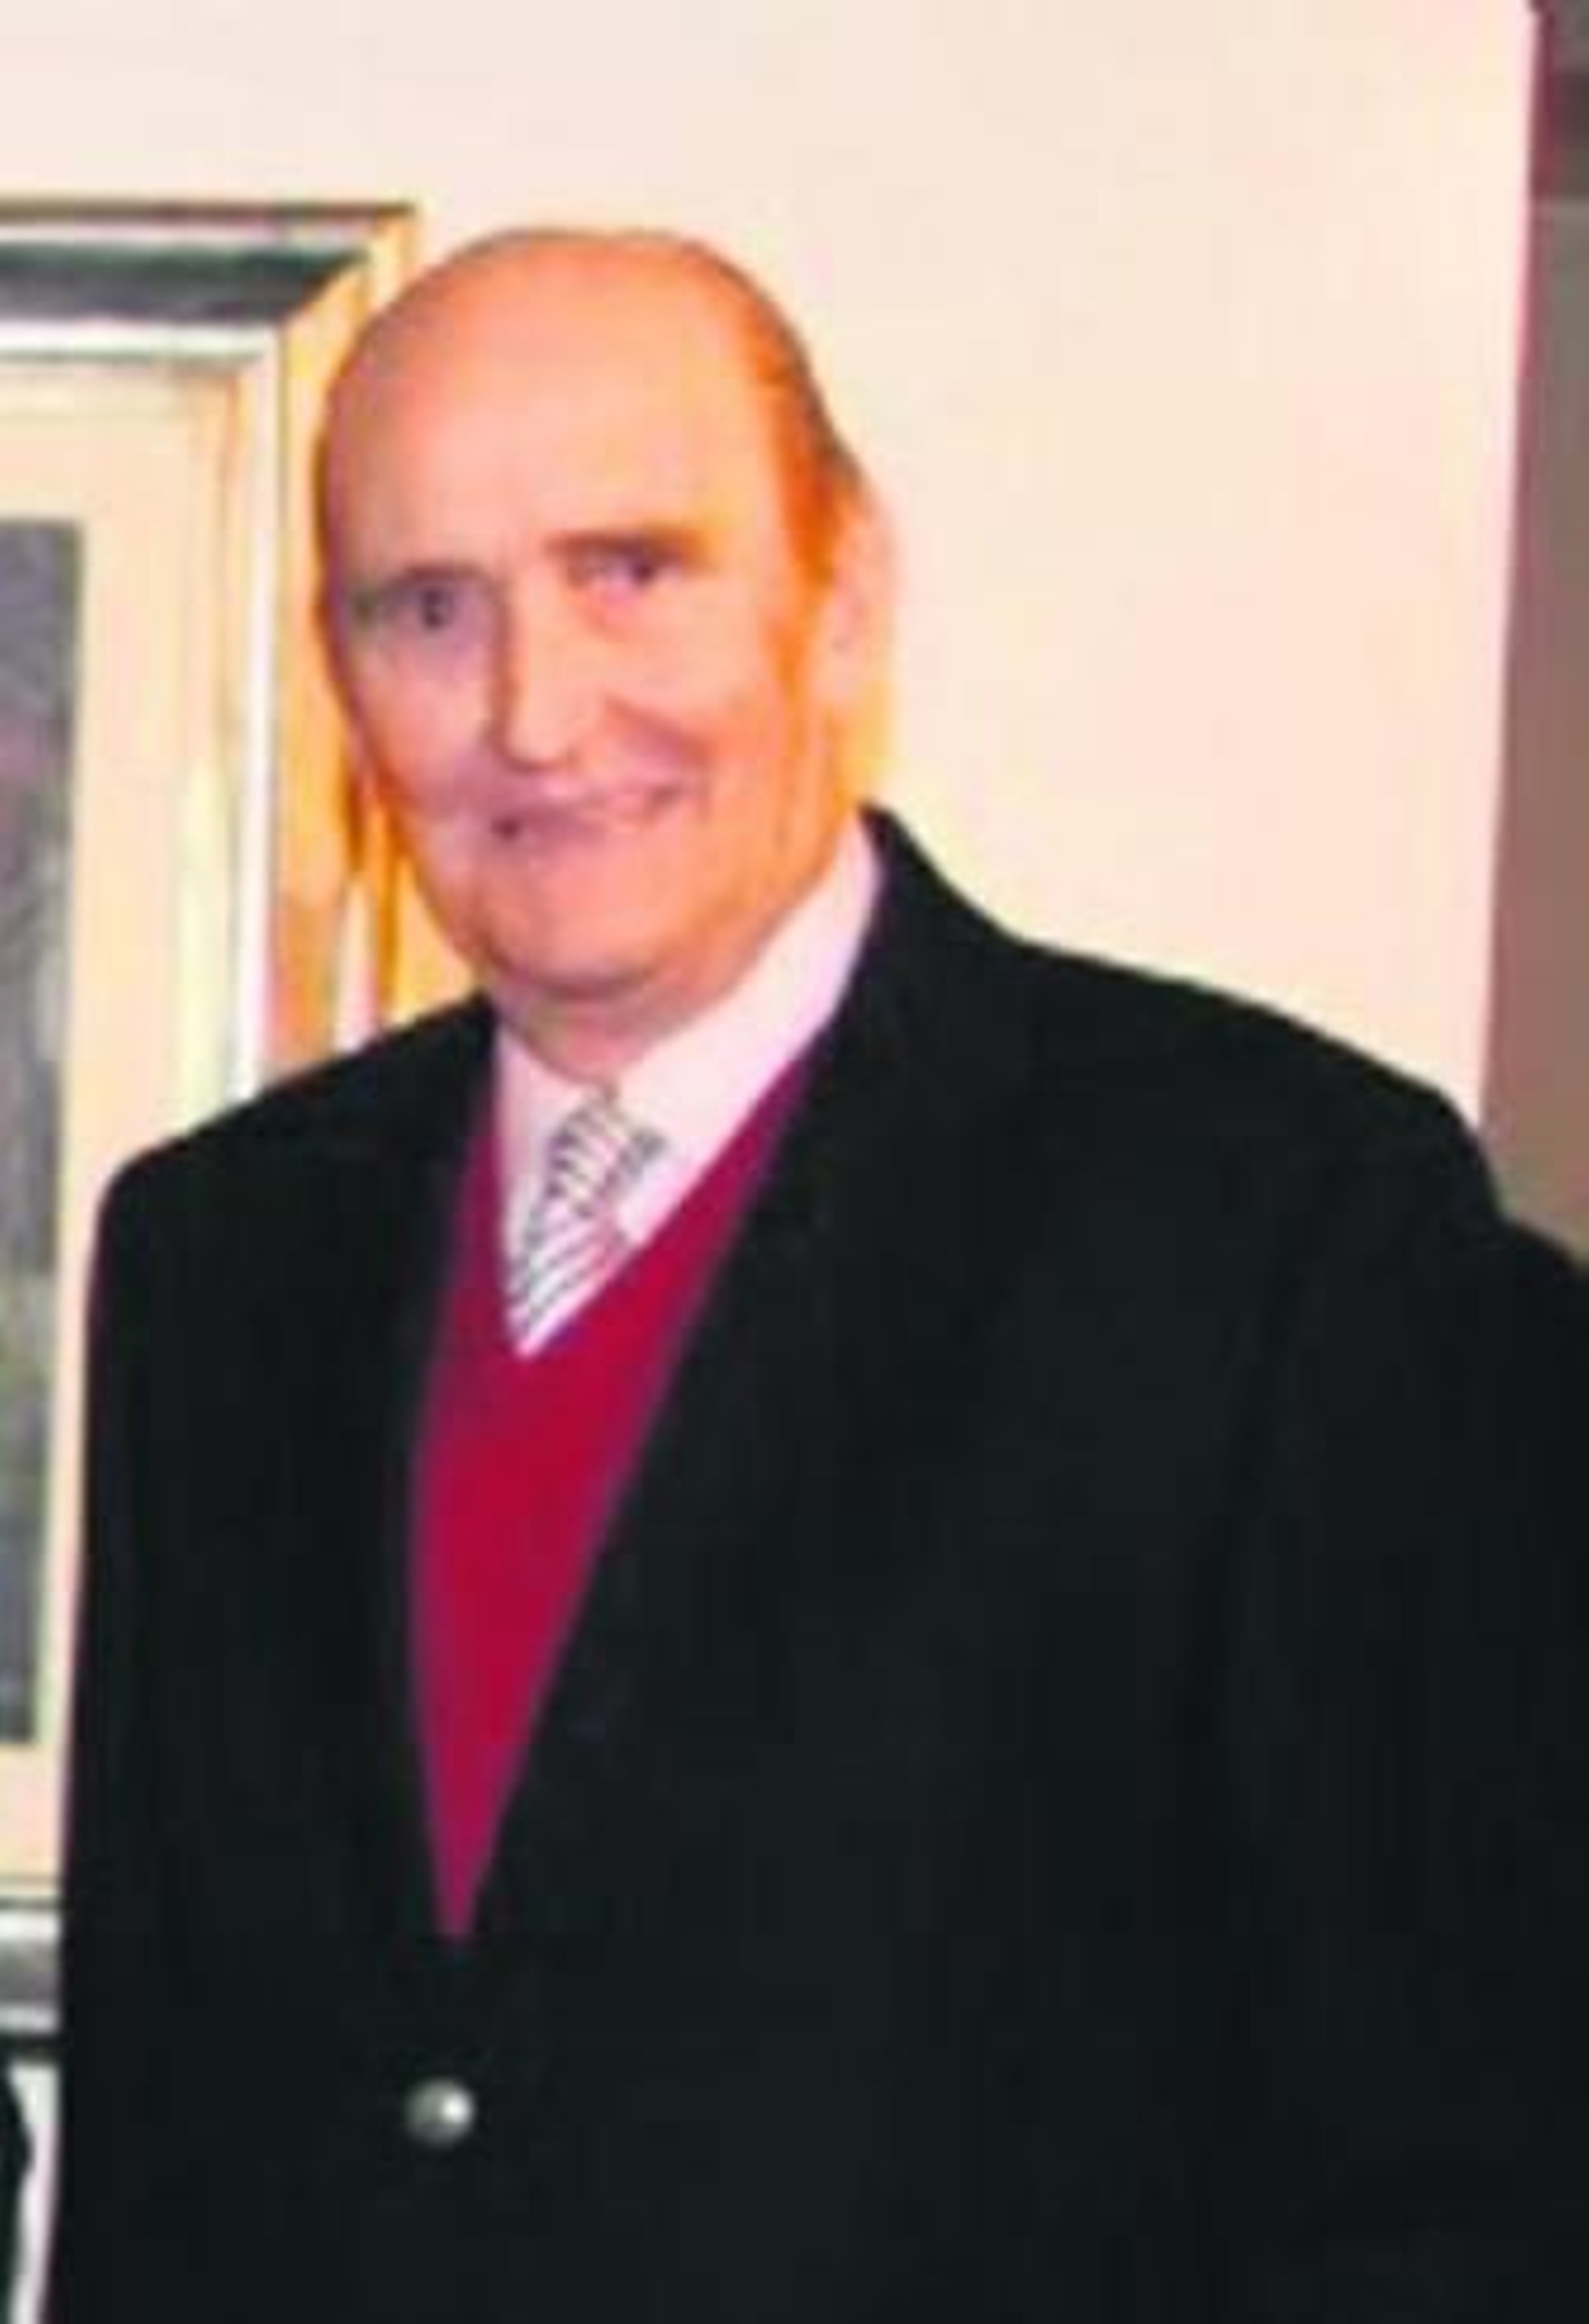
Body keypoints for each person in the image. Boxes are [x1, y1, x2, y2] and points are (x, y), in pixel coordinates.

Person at [47, 227, 1589, 2322]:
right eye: (429, 609)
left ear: (840, 598)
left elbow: (1464, 2169)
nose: (534, 710)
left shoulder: (1282, 1234)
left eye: (630, 571)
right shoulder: (216, 1258)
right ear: (343, 678)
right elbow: (166, 2143)